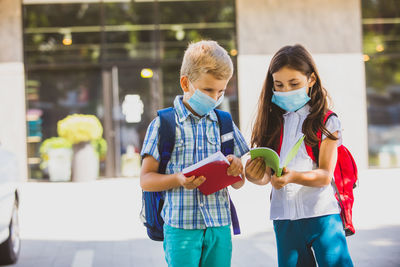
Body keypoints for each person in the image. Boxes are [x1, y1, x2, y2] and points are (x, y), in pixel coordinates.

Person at [140, 40, 249, 267]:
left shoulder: (224, 123)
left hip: (219, 226)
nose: (214, 97)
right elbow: (146, 180)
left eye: (220, 91)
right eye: (208, 90)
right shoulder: (163, 125)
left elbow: (239, 183)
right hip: (181, 228)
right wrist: (178, 179)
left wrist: (237, 169)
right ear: (185, 83)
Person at [245, 44, 353, 267]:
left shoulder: (327, 121)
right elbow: (266, 177)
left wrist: (292, 177)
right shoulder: (271, 123)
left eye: (294, 84)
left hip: (322, 216)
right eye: (279, 85)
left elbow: (324, 175)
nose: (286, 91)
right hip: (284, 219)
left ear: (311, 79)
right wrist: (254, 175)